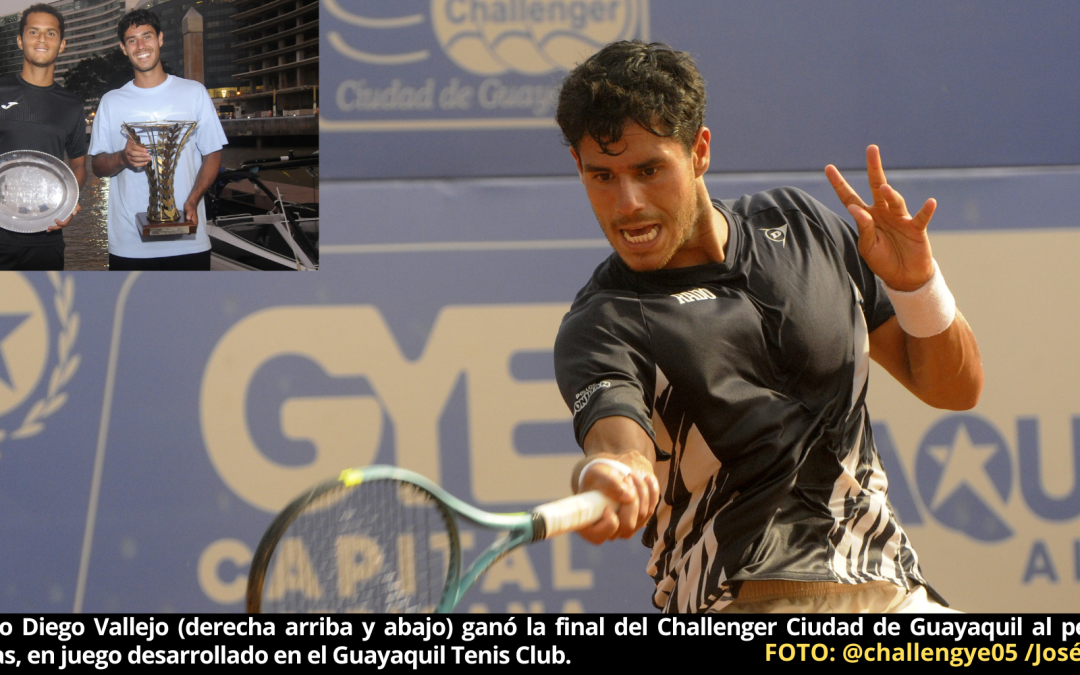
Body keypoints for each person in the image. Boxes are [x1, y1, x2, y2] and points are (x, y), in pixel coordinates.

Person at [553, 41, 983, 613]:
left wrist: (918, 286)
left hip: (895, 589)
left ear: (699, 151)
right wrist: (613, 474)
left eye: (648, 170)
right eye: (601, 176)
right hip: (747, 600)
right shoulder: (602, 323)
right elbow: (617, 445)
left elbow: (954, 389)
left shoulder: (804, 226)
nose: (626, 203)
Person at [88, 8, 226, 271]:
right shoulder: (111, 101)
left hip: (189, 241)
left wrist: (193, 199)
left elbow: (213, 153)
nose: (141, 46)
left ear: (160, 38)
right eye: (132, 40)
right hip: (130, 244)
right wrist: (122, 157)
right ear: (123, 47)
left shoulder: (194, 93)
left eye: (147, 36)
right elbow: (97, 166)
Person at [0, 4, 86, 271]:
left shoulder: (72, 105)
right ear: (20, 40)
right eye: (33, 31)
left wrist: (70, 202)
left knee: (43, 312)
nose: (41, 39)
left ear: (62, 45)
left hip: (47, 235)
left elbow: (79, 166)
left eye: (50, 33)